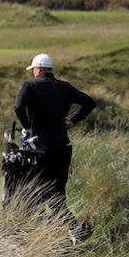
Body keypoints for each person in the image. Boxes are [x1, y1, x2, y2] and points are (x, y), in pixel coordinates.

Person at [13, 53, 96, 238]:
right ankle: (64, 231)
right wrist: (73, 120)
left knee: (38, 190)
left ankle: (71, 227)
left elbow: (18, 107)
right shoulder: (65, 87)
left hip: (40, 147)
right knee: (57, 191)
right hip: (62, 147)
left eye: (33, 69)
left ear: (38, 69)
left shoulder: (29, 85)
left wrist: (27, 126)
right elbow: (90, 103)